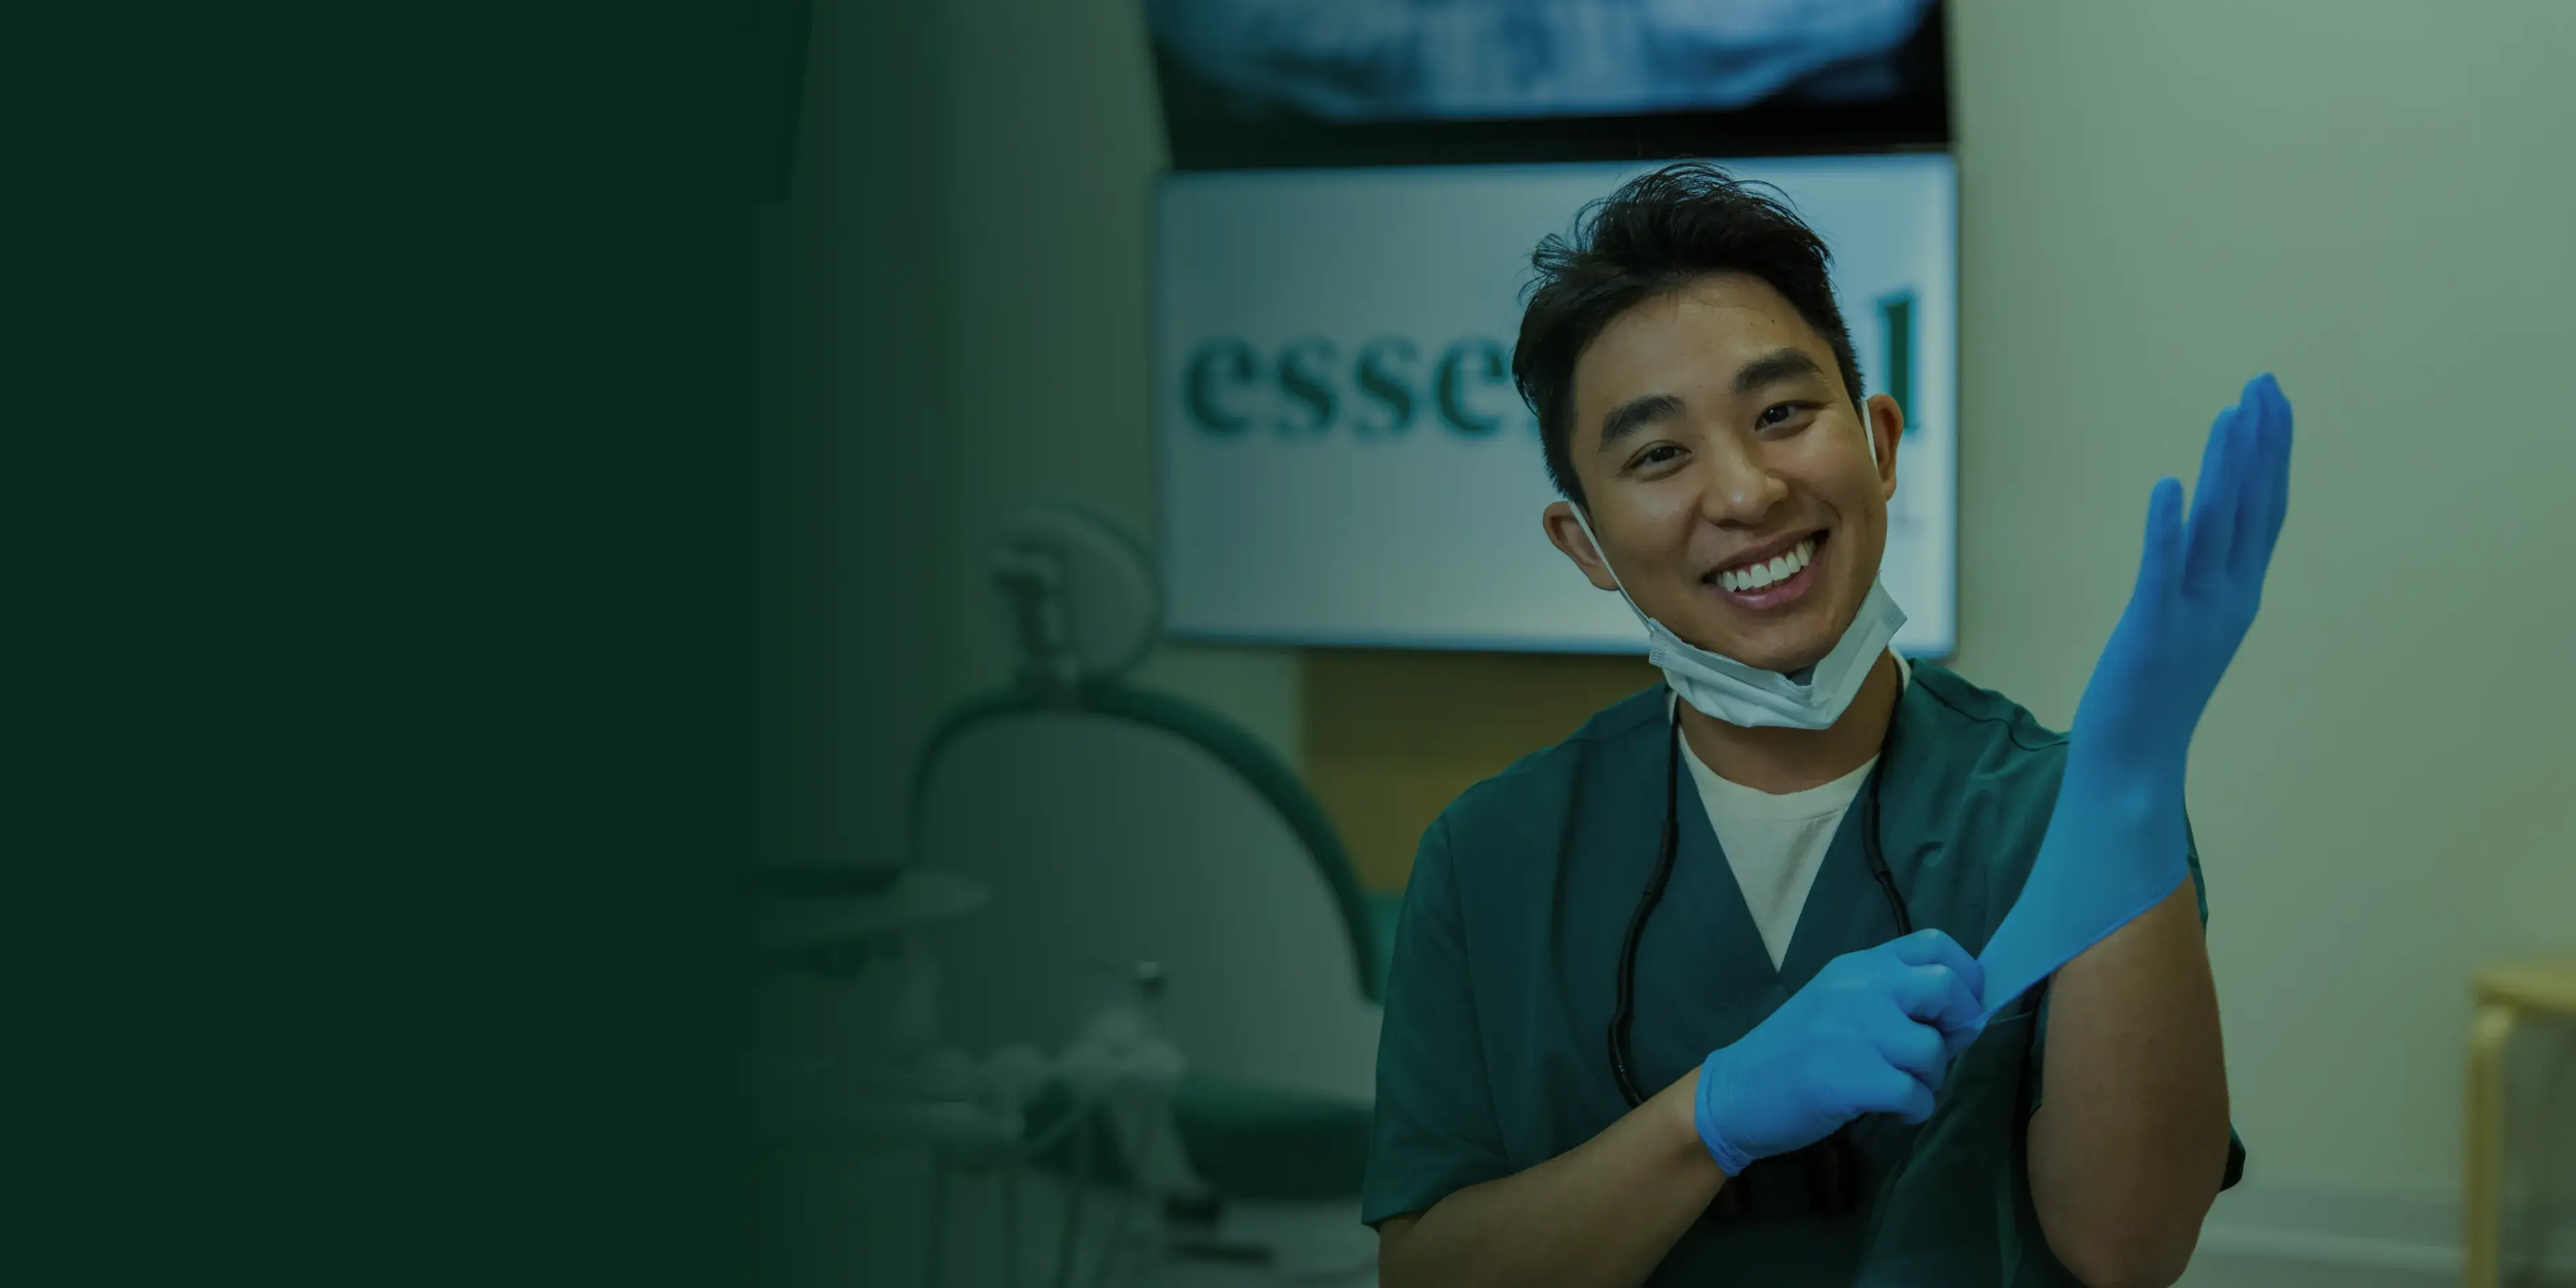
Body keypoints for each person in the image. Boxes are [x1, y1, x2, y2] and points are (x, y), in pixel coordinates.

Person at [1365, 162, 2269, 1287]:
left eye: (1783, 414)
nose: (1745, 494)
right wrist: (1713, 1117)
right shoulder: (1492, 853)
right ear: (1585, 544)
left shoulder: (2067, 811)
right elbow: (1430, 1273)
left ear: (1881, 446)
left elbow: (2128, 1247)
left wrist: (2132, 792)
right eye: (1658, 455)